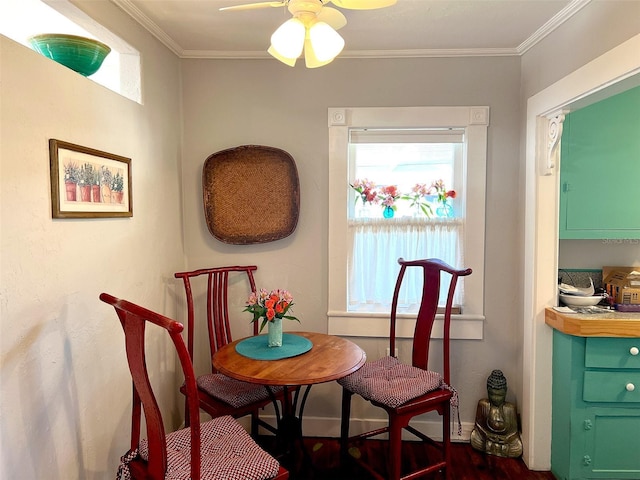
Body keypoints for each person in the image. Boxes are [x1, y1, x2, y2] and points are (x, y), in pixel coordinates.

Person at [470, 370, 523, 458]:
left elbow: (514, 432)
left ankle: (495, 448)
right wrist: (486, 435)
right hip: (487, 438)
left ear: (505, 391)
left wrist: (505, 439)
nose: (496, 399)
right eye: (492, 394)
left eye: (500, 395)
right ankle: (493, 447)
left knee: (517, 448)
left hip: (504, 442)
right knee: (474, 438)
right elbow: (478, 426)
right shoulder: (483, 405)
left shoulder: (510, 409)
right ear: (488, 390)